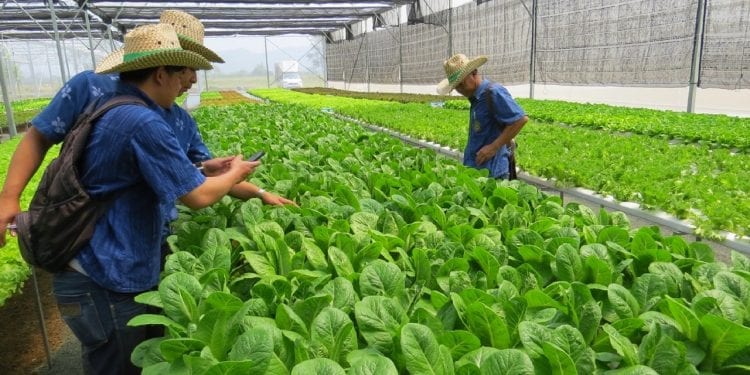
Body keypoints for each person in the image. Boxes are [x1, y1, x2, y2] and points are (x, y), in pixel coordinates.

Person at [52, 24, 257, 374]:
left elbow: (151, 174)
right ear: (161, 74)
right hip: (104, 273)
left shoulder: (116, 107)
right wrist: (236, 172)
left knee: (129, 362)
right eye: (181, 75)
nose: (186, 83)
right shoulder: (141, 120)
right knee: (118, 366)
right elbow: (196, 197)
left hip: (98, 265)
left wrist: (204, 167)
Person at [0, 10, 294, 248]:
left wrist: (259, 191)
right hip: (92, 242)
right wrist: (9, 197)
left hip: (145, 241)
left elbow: (200, 177)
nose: (191, 79)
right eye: (184, 66)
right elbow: (39, 137)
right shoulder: (94, 88)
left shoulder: (178, 118)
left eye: (194, 68)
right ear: (161, 67)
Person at [437, 54, 528, 180]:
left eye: (461, 84)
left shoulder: (493, 92)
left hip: (493, 175)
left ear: (474, 73)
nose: (460, 90)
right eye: (456, 87)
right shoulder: (475, 98)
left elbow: (520, 120)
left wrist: (493, 147)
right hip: (477, 172)